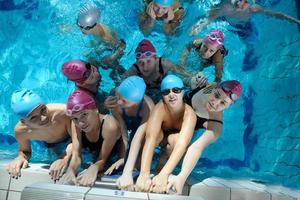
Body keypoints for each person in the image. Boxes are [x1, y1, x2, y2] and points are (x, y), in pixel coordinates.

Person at [166, 80, 242, 195]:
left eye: (223, 103)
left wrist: (181, 178)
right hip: (182, 103)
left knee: (176, 146)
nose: (215, 103)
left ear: (229, 106)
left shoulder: (215, 124)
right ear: (214, 88)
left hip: (194, 123)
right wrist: (193, 81)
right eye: (216, 95)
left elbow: (197, 147)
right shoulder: (208, 87)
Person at [135, 74, 196, 193]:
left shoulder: (189, 114)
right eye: (166, 92)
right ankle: (140, 167)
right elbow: (150, 139)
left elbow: (181, 145)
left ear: (183, 92)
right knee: (146, 135)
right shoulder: (159, 109)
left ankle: (160, 168)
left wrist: (164, 174)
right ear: (162, 96)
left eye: (176, 90)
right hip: (160, 138)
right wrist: (144, 173)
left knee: (178, 141)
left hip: (172, 143)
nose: (171, 95)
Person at [7, 89, 73, 182]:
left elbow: (77, 140)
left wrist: (64, 158)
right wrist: (21, 157)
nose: (44, 117)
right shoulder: (21, 131)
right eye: (33, 117)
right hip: (45, 143)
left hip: (68, 138)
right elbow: (25, 151)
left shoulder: (64, 113)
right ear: (24, 122)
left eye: (43, 109)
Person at [61, 90, 121, 186]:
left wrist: (95, 167)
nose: (81, 123)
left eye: (84, 114)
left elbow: (103, 159)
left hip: (113, 151)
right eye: (75, 118)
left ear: (96, 110)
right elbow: (76, 155)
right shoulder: (75, 124)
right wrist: (71, 170)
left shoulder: (110, 126)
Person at [103, 76, 154, 175]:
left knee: (145, 139)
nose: (118, 102)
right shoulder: (117, 99)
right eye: (118, 97)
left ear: (136, 103)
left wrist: (129, 168)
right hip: (125, 123)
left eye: (124, 101)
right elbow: (123, 129)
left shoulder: (148, 110)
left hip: (141, 127)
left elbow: (138, 138)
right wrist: (123, 157)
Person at [122, 39, 191, 103]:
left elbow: (186, 73)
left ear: (155, 59)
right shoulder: (134, 70)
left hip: (165, 89)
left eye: (148, 61)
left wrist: (196, 78)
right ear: (137, 62)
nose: (145, 67)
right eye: (141, 63)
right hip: (148, 94)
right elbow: (119, 86)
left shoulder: (164, 64)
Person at [189, 0, 300, 36]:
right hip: (226, 19)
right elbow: (208, 19)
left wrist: (295, 21)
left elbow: (277, 15)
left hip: (241, 24)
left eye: (242, 2)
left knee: (248, 37)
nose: (240, 5)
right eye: (236, 3)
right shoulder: (225, 7)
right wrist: (199, 26)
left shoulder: (253, 8)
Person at [77, 4, 126, 74]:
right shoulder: (91, 25)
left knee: (107, 63)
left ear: (95, 25)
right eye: (79, 25)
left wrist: (113, 57)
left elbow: (122, 45)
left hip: (111, 49)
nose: (81, 30)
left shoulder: (106, 36)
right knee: (89, 58)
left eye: (85, 28)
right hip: (102, 43)